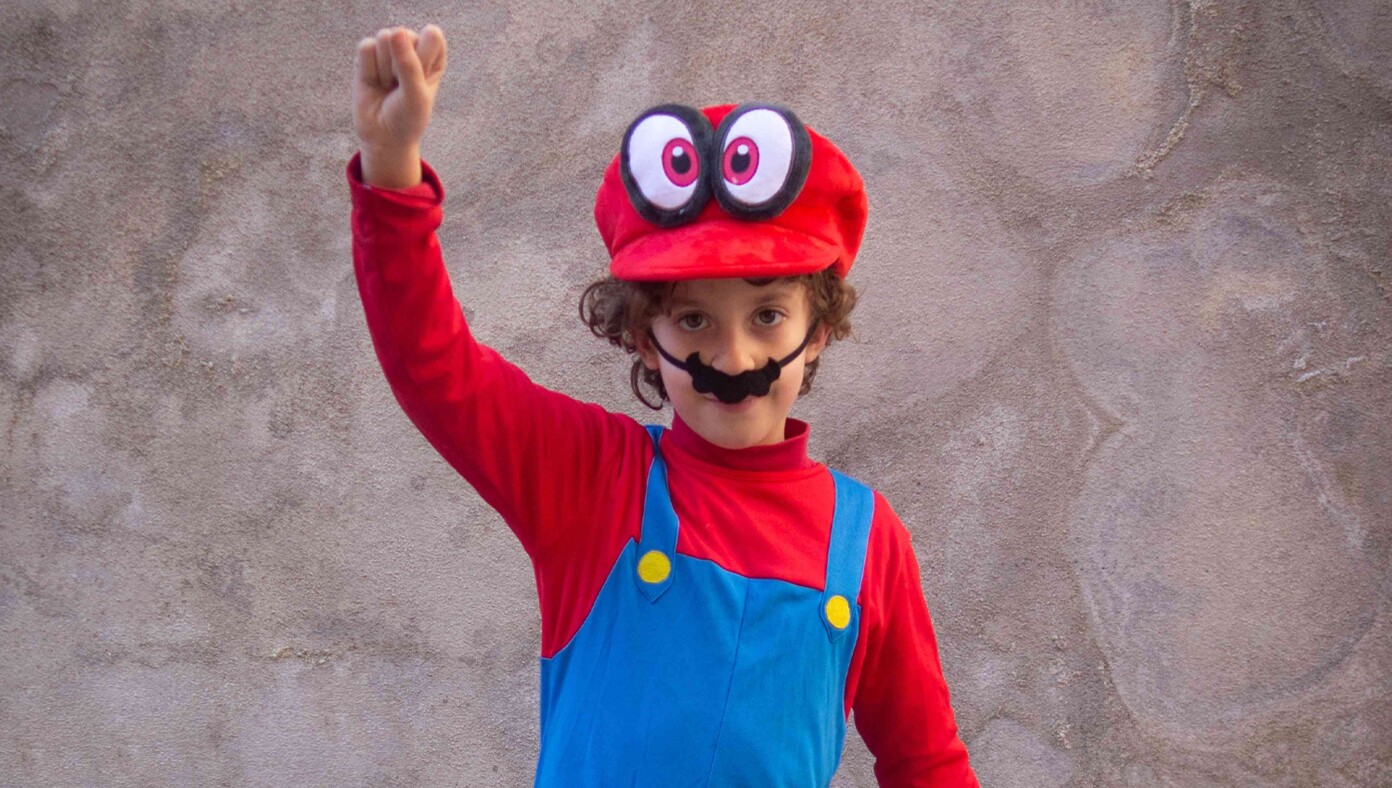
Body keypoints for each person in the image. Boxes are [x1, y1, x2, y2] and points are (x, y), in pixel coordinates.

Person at [348, 23, 979, 788]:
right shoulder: (592, 481)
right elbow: (436, 372)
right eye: (694, 320)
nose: (734, 358)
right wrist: (391, 173)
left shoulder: (871, 542)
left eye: (768, 315)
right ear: (647, 338)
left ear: (817, 331)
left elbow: (926, 763)